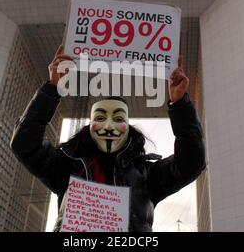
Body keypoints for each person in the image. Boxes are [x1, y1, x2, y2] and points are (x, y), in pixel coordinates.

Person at [10, 45, 206, 232]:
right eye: (101, 118)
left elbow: (191, 163)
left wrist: (180, 104)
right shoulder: (66, 167)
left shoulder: (147, 176)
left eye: (119, 118)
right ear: (89, 126)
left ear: (128, 128)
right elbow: (25, 144)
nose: (109, 126)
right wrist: (52, 88)